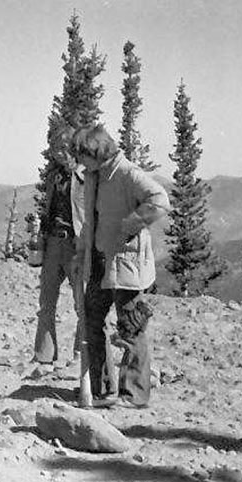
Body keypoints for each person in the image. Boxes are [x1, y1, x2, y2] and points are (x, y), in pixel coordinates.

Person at [71, 124, 169, 409]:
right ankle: (102, 389)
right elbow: (92, 219)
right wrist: (81, 252)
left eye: (82, 155)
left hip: (126, 263)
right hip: (101, 260)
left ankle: (134, 395)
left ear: (96, 152)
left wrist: (130, 226)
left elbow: (160, 201)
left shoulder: (127, 174)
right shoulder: (94, 176)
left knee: (131, 328)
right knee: (91, 319)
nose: (79, 162)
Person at [32, 124, 86, 366]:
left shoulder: (87, 177)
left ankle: (80, 355)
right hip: (53, 242)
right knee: (46, 301)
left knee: (81, 303)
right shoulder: (54, 177)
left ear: (73, 148)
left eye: (62, 148)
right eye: (54, 148)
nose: (57, 153)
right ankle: (43, 354)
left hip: (76, 244)